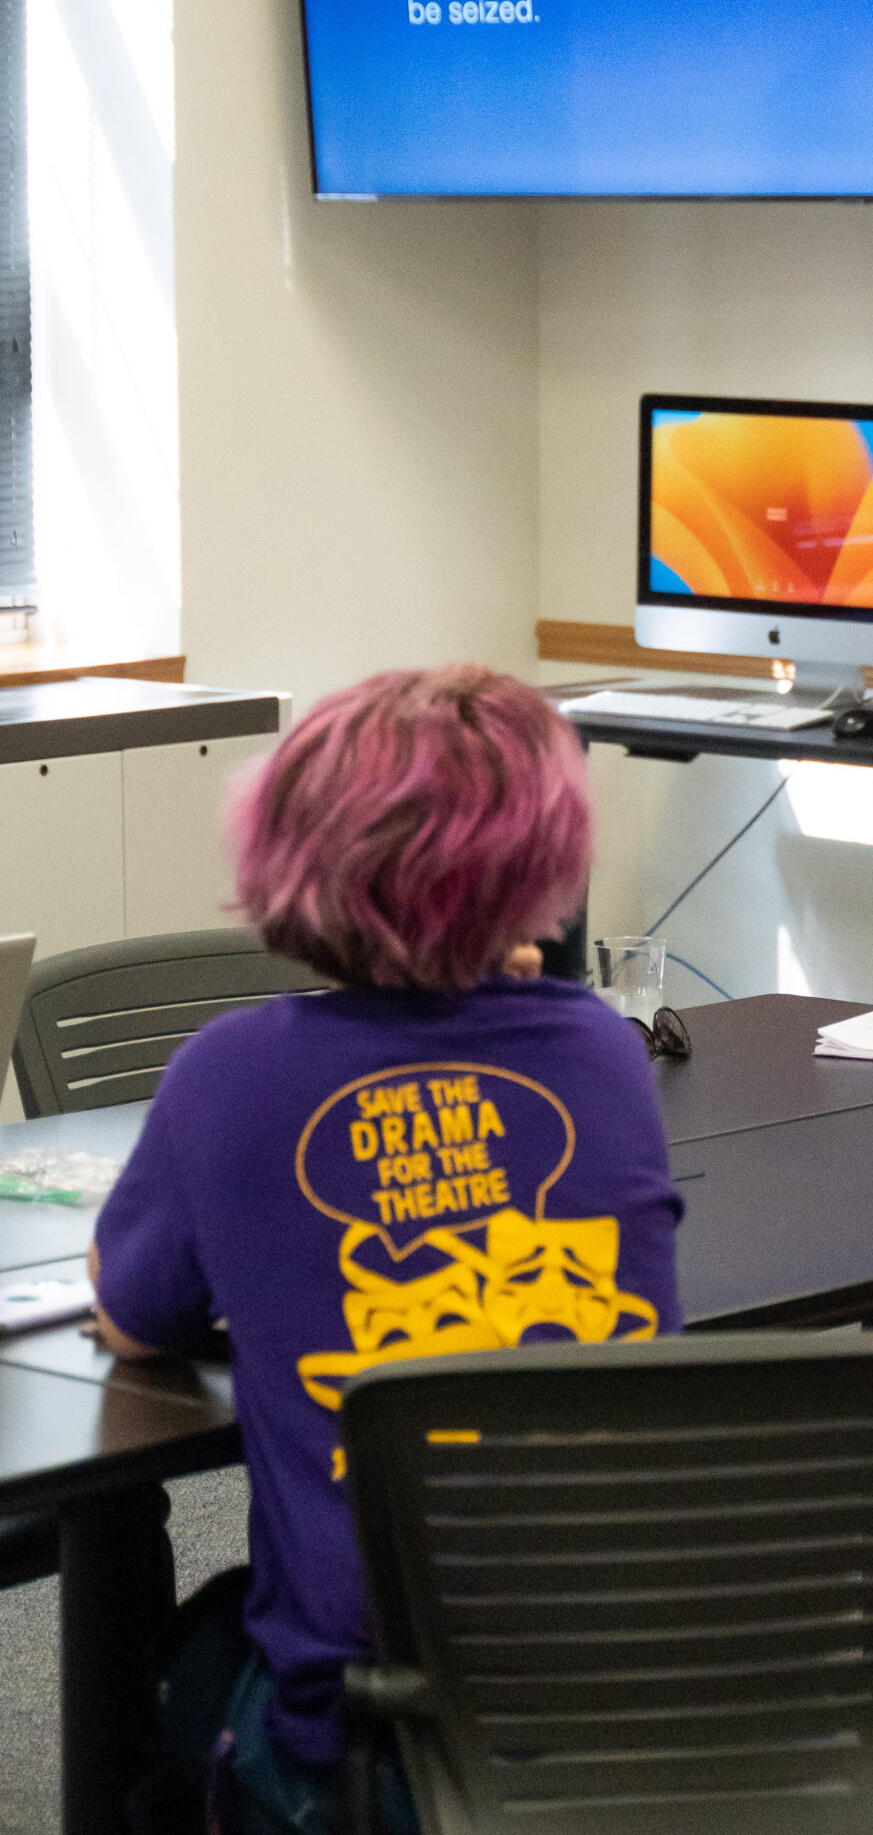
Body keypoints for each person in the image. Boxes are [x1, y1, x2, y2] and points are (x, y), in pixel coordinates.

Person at [90, 665, 682, 1835]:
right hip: (632, 1701)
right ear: (541, 861)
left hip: (375, 1737)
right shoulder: (602, 1051)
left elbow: (133, 1319)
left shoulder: (231, 1071)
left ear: (289, 848)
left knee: (185, 1674)